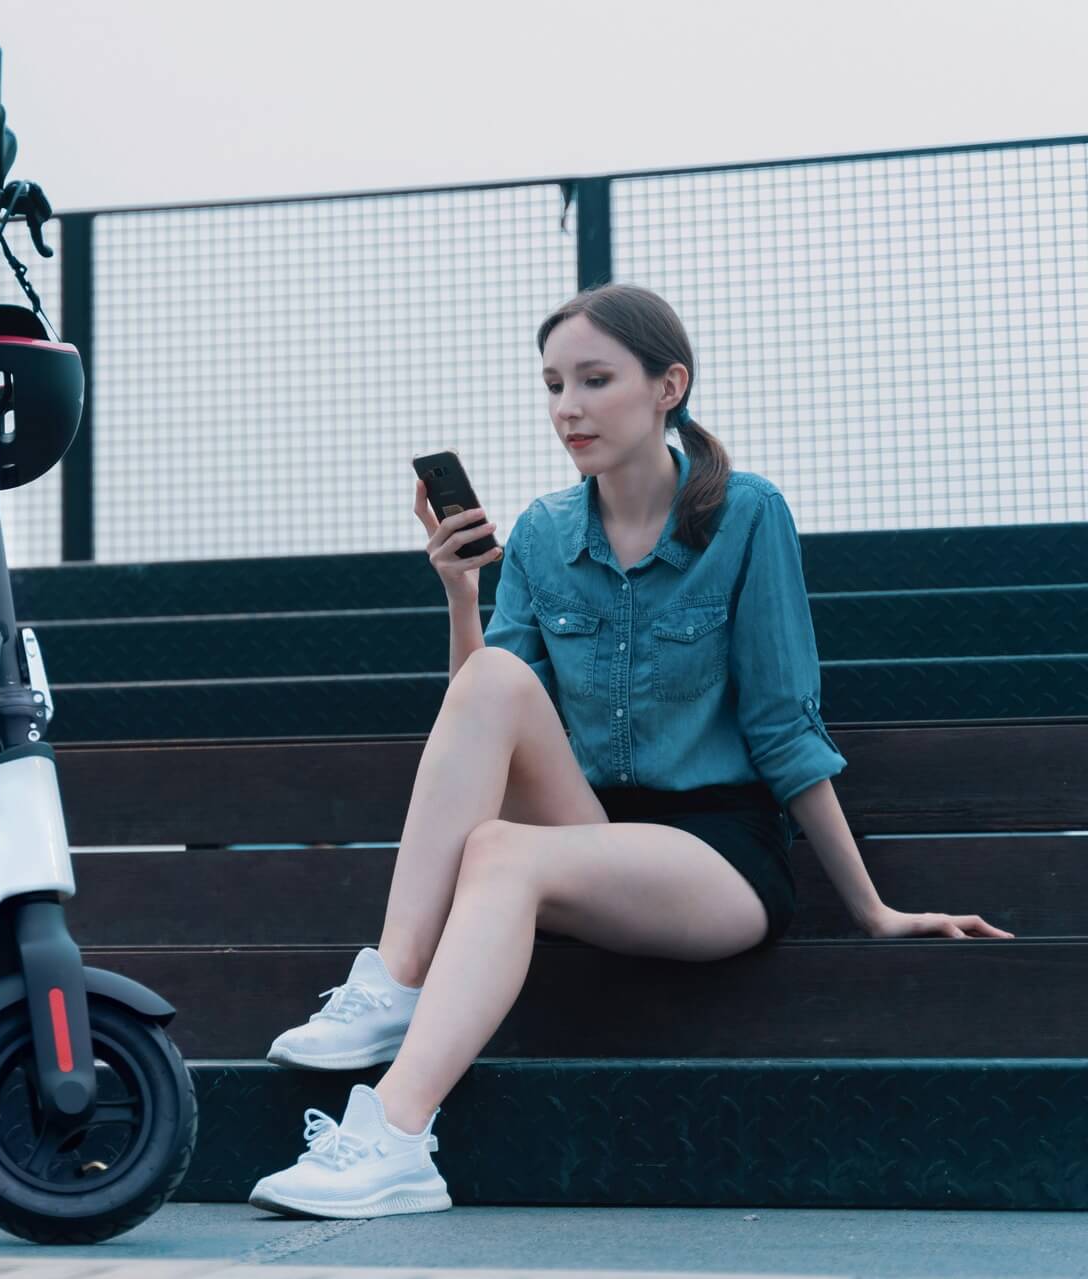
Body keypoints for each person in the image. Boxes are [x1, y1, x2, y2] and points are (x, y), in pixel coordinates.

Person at [246, 282, 1013, 1221]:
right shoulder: (541, 533)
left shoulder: (746, 515)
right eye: (554, 383)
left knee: (500, 850)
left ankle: (396, 1133)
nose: (568, 406)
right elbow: (486, 711)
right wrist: (460, 595)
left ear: (667, 386)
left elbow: (785, 727)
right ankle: (396, 981)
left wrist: (874, 908)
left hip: (715, 858)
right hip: (590, 828)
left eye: (596, 379)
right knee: (492, 681)